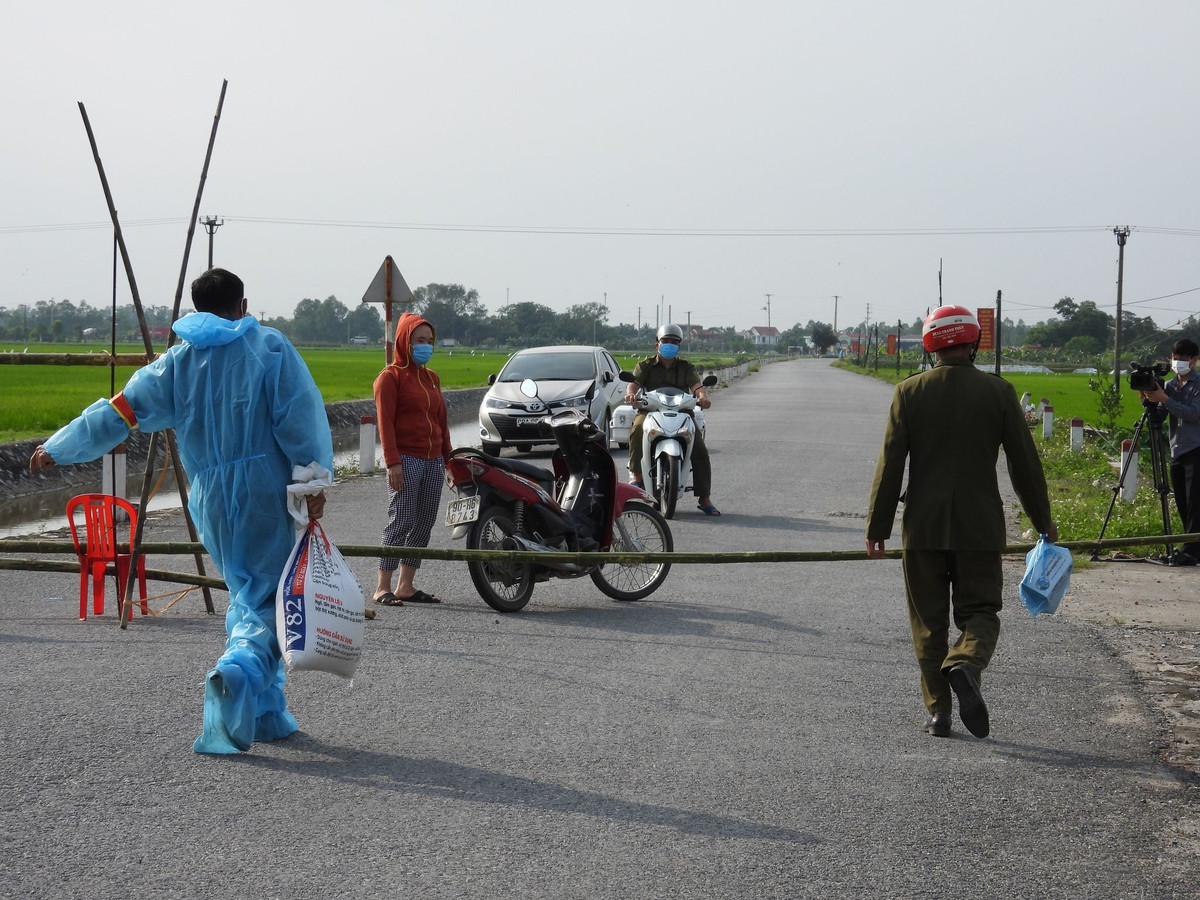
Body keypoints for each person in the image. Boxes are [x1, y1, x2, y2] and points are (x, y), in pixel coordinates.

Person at [29, 268, 333, 754]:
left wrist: (58, 446)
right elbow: (299, 417)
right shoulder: (269, 349)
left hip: (209, 496)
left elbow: (117, 412)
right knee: (271, 598)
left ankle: (266, 712)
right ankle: (240, 668)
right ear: (243, 304)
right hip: (265, 491)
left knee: (245, 592)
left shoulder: (174, 364)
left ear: (195, 308)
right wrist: (313, 480)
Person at [865, 305, 1057, 740]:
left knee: (928, 622)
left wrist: (878, 527)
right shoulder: (998, 392)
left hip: (924, 527)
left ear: (930, 343)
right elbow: (1024, 464)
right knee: (981, 611)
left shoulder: (909, 392)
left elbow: (890, 463)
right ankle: (966, 661)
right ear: (973, 343)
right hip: (980, 526)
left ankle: (939, 714)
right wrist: (1043, 521)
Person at [371, 312, 451, 605]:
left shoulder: (432, 378)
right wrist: (393, 463)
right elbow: (385, 424)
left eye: (429, 341)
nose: (426, 346)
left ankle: (406, 584)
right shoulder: (390, 378)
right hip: (406, 459)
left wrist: (448, 459)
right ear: (406, 341)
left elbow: (441, 421)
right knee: (401, 519)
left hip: (432, 460)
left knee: (424, 521)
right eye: (419, 340)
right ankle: (383, 585)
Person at [623, 323, 719, 515]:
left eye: (674, 342)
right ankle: (637, 476)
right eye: (665, 341)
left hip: (682, 413)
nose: (669, 345)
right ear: (657, 345)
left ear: (679, 346)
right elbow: (633, 385)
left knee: (699, 447)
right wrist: (631, 395)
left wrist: (703, 397)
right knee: (637, 430)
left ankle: (704, 497)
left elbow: (697, 387)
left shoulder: (686, 367)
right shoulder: (645, 365)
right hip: (650, 411)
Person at [1139, 337, 1200, 566]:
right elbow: (1161, 416)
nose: (1177, 363)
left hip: (1196, 448)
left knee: (1196, 504)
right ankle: (1193, 546)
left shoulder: (1198, 385)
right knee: (1183, 503)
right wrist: (1149, 399)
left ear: (1193, 361)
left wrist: (1165, 398)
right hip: (1177, 449)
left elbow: (1193, 413)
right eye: (1175, 359)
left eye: (1182, 360)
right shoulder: (1171, 386)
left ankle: (1191, 551)